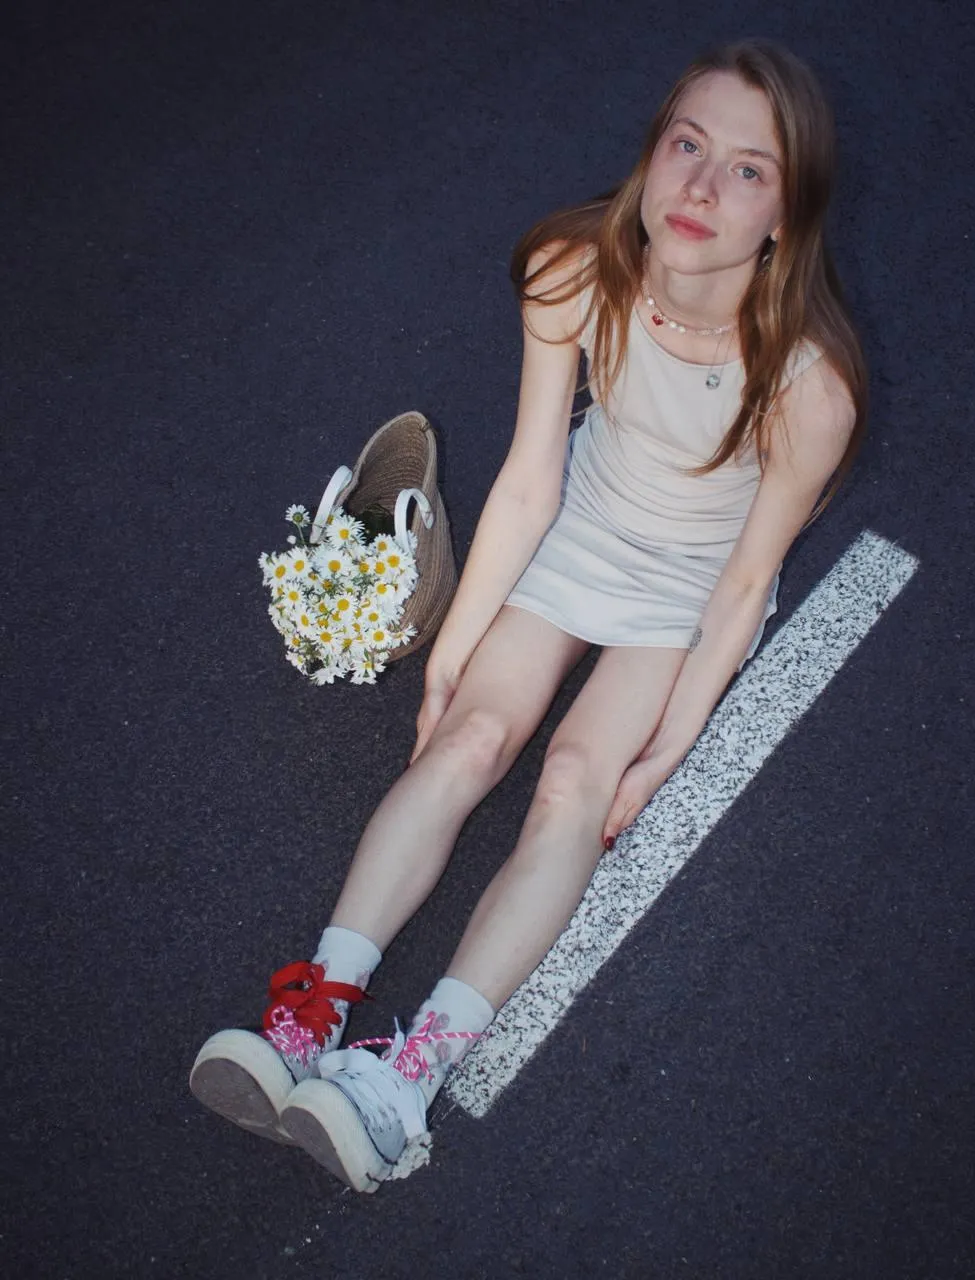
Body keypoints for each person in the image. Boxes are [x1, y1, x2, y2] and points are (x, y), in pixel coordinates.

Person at [190, 38, 866, 1193]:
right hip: (582, 529)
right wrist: (448, 660)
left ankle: (408, 1081)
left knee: (570, 782)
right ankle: (313, 1006)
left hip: (683, 593)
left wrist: (658, 758)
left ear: (785, 219)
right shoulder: (569, 270)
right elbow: (527, 481)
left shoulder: (808, 384)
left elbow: (746, 587)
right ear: (650, 154)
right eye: (687, 145)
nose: (703, 187)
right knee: (467, 739)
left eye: (749, 171)